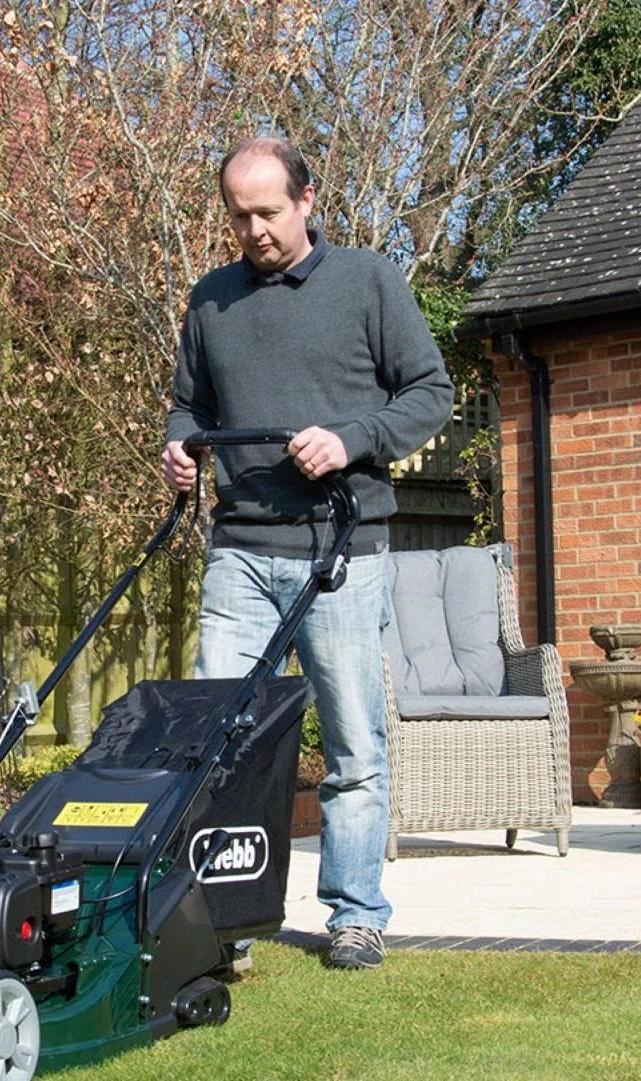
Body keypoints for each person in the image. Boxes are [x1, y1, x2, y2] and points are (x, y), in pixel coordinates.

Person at [161, 137, 453, 970]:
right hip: (243, 550)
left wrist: (354, 438)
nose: (253, 230)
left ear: (307, 199)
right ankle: (223, 919)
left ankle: (356, 914)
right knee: (219, 738)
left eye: (268, 212)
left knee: (355, 742)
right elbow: (188, 404)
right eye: (239, 215)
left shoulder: (368, 282)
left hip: (342, 550)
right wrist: (181, 449)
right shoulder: (210, 300)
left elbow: (431, 393)